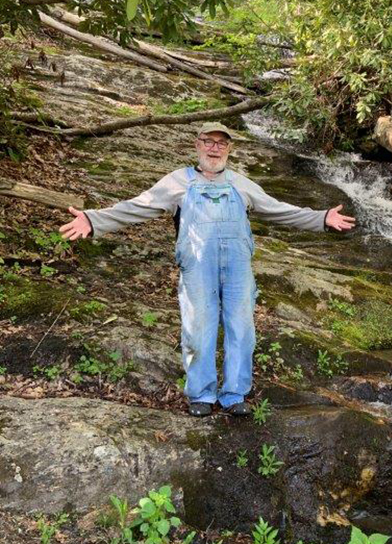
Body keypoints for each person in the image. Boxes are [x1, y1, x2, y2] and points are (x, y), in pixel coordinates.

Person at [59, 122, 356, 416]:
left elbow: (279, 210)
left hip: (238, 268)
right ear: (197, 144)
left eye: (221, 143)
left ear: (229, 149)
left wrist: (321, 218)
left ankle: (235, 394)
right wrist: (94, 220)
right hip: (197, 267)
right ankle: (201, 394)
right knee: (198, 329)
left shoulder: (242, 184)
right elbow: (138, 206)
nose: (215, 148)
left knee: (242, 329)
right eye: (208, 141)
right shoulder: (177, 181)